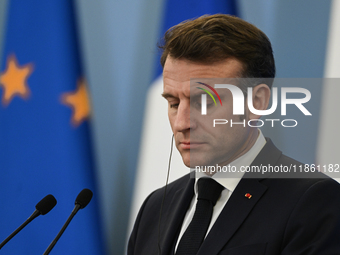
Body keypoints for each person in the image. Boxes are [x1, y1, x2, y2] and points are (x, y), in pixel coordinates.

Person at [128, 14, 340, 255]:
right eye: (174, 103)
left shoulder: (314, 201)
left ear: (257, 102)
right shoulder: (154, 208)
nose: (181, 123)